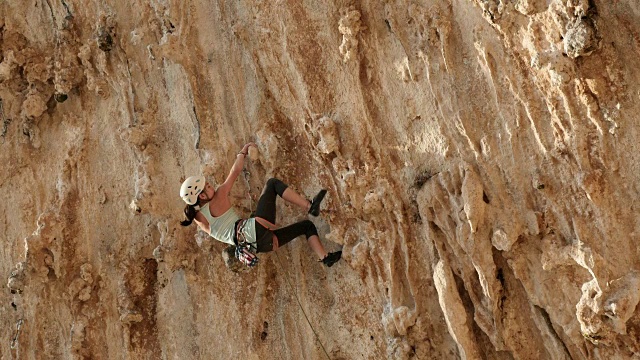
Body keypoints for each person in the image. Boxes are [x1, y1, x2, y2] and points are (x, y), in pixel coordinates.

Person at [179, 143, 342, 267]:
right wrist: (243, 151)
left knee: (306, 226)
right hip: (254, 230)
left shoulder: (199, 220)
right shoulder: (219, 196)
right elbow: (235, 171)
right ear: (201, 195)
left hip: (259, 245)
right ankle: (309, 206)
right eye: (207, 187)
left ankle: (326, 258)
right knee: (272, 184)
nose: (211, 186)